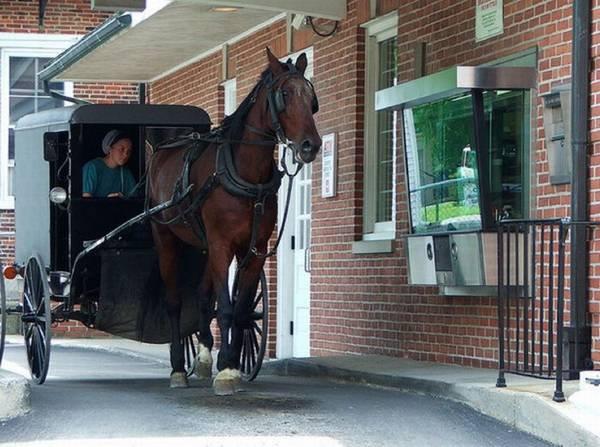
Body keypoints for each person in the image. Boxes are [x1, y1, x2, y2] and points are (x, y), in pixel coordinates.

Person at [82, 130, 136, 198]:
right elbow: (86, 200)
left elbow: (134, 198)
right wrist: (108, 202)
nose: (125, 155)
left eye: (129, 151)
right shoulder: (92, 168)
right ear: (110, 148)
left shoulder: (126, 173)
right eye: (121, 149)